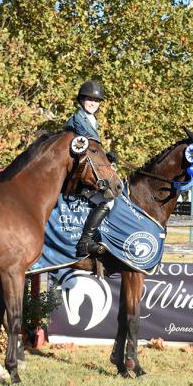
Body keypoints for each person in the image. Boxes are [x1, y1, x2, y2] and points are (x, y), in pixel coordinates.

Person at [65, 80, 116, 256]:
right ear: (81, 100)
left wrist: (107, 156)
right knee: (108, 200)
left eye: (97, 100)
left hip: (89, 169)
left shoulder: (92, 120)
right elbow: (80, 148)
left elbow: (93, 150)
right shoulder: (77, 120)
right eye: (89, 99)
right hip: (78, 174)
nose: (93, 103)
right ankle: (85, 242)